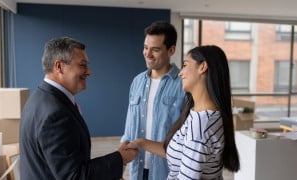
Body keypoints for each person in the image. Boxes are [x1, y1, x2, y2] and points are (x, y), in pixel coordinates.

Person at [19, 37, 138, 180]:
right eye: (82, 65)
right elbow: (74, 176)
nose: (89, 72)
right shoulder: (56, 114)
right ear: (59, 67)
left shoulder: (38, 98)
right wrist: (120, 158)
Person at [128, 45, 241, 179]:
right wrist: (140, 143)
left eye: (185, 65)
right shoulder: (199, 114)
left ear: (203, 67)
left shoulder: (200, 126)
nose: (180, 73)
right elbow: (181, 152)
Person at [121, 21, 186, 180]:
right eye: (145, 47)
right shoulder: (137, 82)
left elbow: (186, 138)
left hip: (168, 172)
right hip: (138, 170)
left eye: (155, 49)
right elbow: (129, 130)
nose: (147, 54)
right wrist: (120, 167)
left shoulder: (183, 84)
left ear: (171, 50)